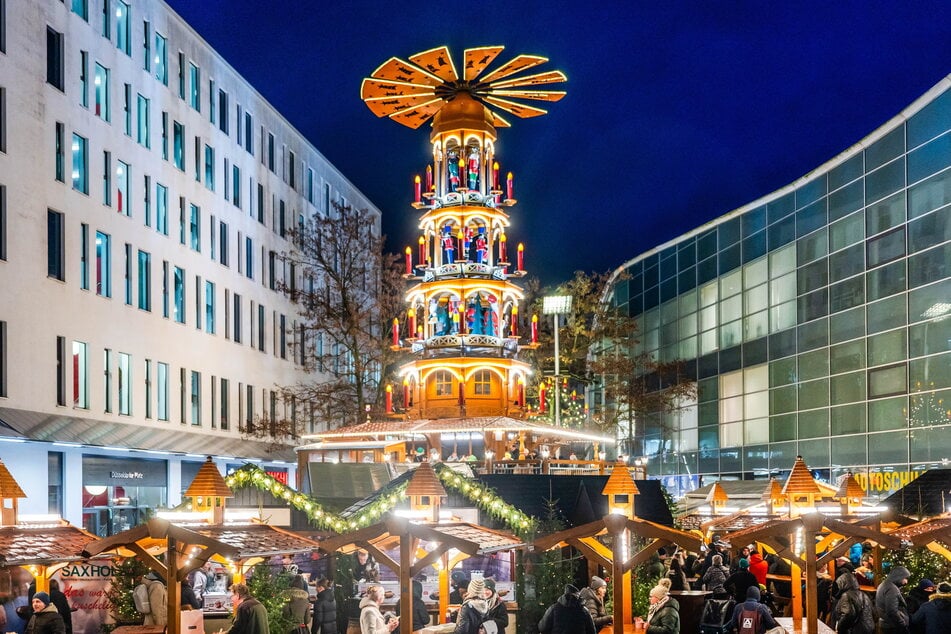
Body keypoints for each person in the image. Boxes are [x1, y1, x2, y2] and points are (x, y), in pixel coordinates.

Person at [875, 565, 911, 634]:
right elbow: (892, 611)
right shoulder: (892, 589)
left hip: (886, 624)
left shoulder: (884, 584)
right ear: (899, 577)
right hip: (893, 626)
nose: (906, 582)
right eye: (905, 578)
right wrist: (902, 623)